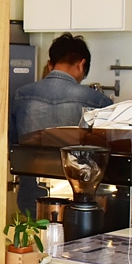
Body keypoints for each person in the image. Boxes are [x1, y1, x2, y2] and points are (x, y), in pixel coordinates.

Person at [10, 33, 112, 215]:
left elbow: (12, 145)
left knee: (34, 233)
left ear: (50, 64)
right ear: (81, 64)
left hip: (32, 197)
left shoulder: (21, 95)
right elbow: (107, 153)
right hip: (79, 200)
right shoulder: (97, 101)